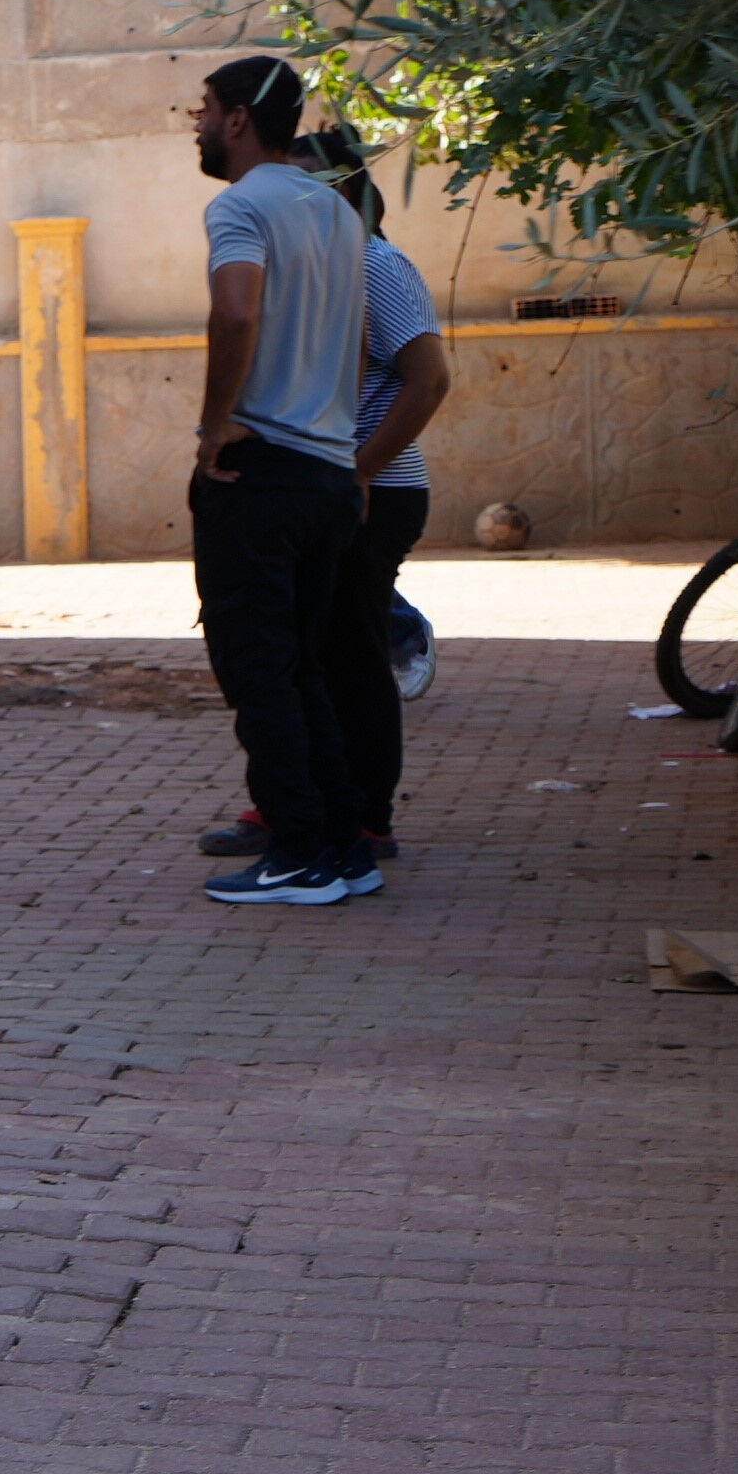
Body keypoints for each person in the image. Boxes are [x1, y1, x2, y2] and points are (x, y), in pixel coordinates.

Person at [199, 120, 448, 865]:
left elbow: (429, 378)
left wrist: (364, 470)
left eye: (308, 179)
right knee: (298, 651)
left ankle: (362, 814)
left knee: (345, 653)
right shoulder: (314, 261)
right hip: (323, 478)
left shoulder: (374, 263)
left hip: (372, 485)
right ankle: (296, 802)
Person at [186, 54, 378, 907]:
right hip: (331, 470)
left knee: (258, 670)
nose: (194, 125)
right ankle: (342, 844)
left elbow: (236, 309)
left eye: (200, 109)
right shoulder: (338, 211)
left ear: (235, 118)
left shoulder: (239, 204)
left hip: (261, 467)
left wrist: (214, 421)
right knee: (306, 668)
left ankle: (299, 852)